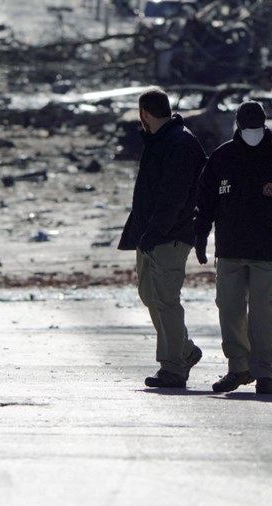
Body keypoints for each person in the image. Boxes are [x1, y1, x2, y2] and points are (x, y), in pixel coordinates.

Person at [193, 101, 272, 396]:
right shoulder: (222, 158)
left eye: (256, 128)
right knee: (229, 309)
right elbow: (205, 201)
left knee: (262, 312)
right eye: (247, 128)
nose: (252, 133)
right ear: (237, 125)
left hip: (267, 248)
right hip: (230, 247)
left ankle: (264, 372)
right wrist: (200, 236)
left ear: (265, 125)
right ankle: (238, 367)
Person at [118, 87, 206, 389]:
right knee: (149, 296)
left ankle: (173, 368)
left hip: (170, 235)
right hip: (150, 233)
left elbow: (174, 197)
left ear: (144, 113)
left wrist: (155, 232)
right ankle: (185, 351)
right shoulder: (159, 141)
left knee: (166, 299)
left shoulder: (179, 143)